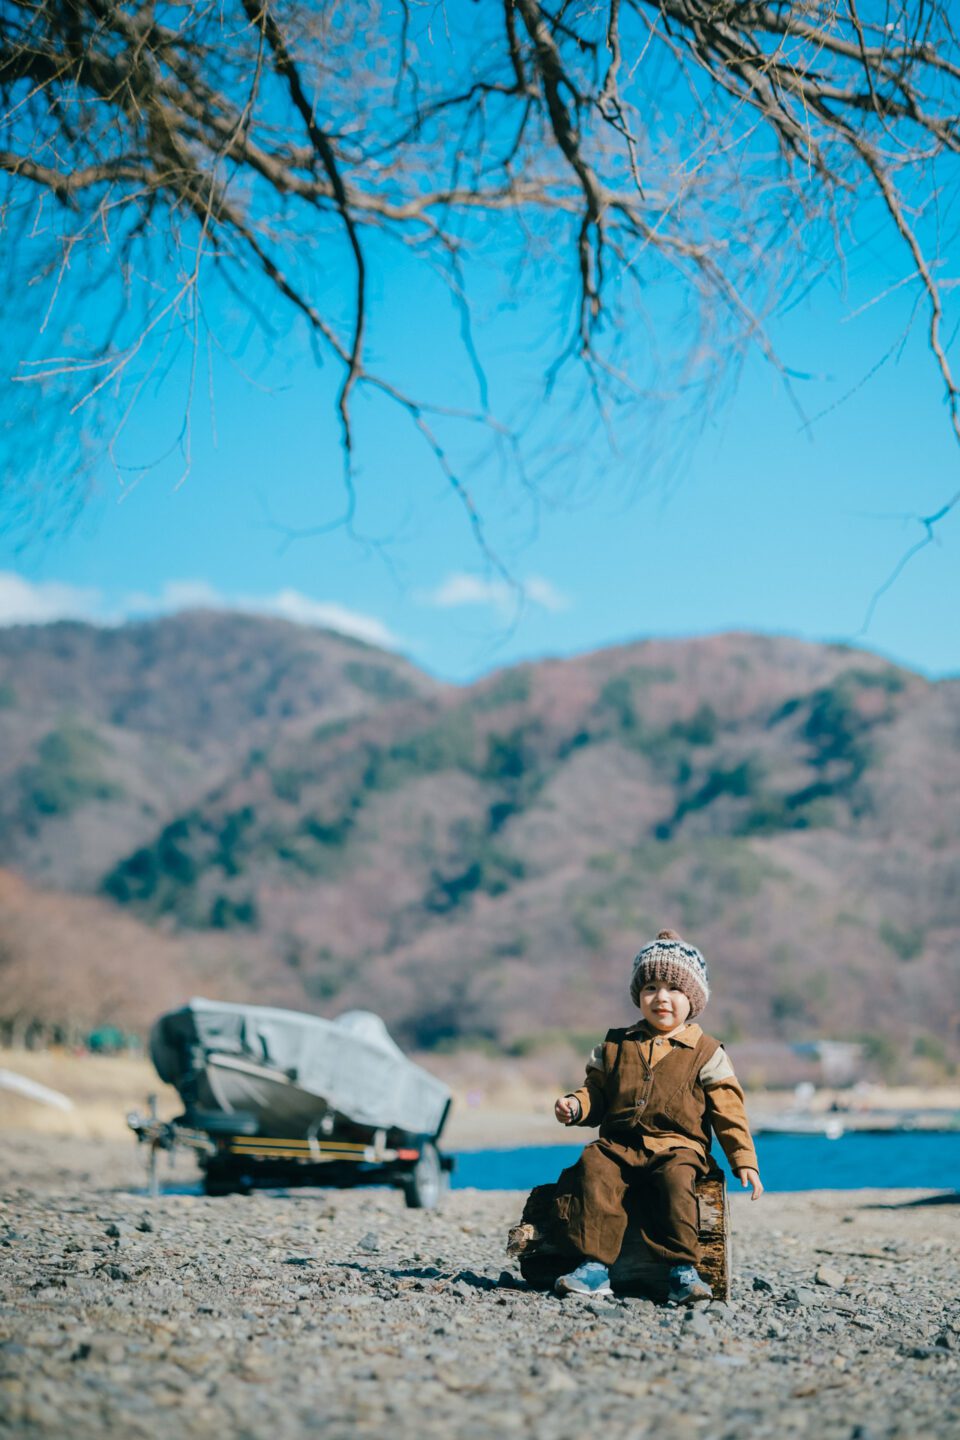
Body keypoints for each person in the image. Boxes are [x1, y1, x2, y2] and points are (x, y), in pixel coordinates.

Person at [551, 929, 763, 1304]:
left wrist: (744, 1161)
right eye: (650, 987)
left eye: (674, 989)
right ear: (638, 995)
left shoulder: (707, 1051)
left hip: (678, 1147)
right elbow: (596, 1092)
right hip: (619, 1144)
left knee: (677, 1179)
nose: (661, 997)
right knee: (594, 1164)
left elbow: (729, 1111)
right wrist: (577, 1105)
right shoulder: (615, 1045)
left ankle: (682, 1270)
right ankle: (595, 1267)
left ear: (692, 999)